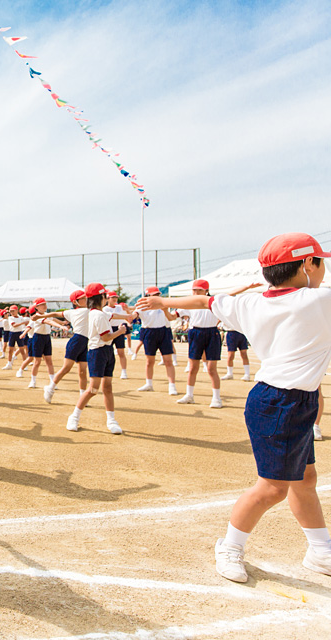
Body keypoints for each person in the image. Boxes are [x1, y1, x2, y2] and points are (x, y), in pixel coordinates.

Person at [136, 233, 331, 581]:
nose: (324, 269)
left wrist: (164, 302)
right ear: (307, 264)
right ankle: (229, 546)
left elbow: (206, 301)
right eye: (321, 262)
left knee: (305, 478)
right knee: (273, 488)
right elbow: (205, 300)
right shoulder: (318, 300)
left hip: (284, 400)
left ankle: (321, 551)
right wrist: (164, 303)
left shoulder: (251, 304)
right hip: (280, 403)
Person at [66, 283, 127, 434]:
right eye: (105, 295)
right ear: (101, 297)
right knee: (93, 389)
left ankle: (111, 420)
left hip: (106, 351)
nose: (107, 298)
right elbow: (106, 337)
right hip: (98, 352)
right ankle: (74, 416)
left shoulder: (98, 313)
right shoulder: (98, 315)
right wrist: (121, 331)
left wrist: (129, 316)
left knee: (107, 387)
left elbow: (112, 317)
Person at [175, 279, 227, 408]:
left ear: (206, 291)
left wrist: (248, 287)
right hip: (195, 332)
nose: (196, 292)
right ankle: (189, 395)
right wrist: (164, 308)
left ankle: (216, 398)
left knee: (211, 368)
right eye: (194, 290)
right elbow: (172, 317)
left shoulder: (213, 302)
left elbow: (230, 294)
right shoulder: (189, 304)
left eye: (200, 290)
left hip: (212, 333)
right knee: (193, 368)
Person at [41, 290, 90, 403]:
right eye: (83, 298)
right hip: (76, 341)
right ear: (75, 302)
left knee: (83, 371)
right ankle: (50, 388)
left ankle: (82, 397)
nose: (86, 299)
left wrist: (42, 315)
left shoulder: (73, 312)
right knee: (66, 368)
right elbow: (56, 314)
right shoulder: (85, 311)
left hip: (84, 341)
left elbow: (56, 314)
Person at [136, 286, 178, 395]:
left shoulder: (163, 304)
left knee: (168, 360)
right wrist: (129, 315)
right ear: (148, 296)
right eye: (154, 295)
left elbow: (170, 317)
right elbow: (134, 314)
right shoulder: (141, 306)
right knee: (149, 361)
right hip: (149, 332)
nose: (157, 297)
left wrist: (165, 309)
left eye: (158, 295)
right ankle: (149, 384)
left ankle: (172, 386)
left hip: (163, 331)